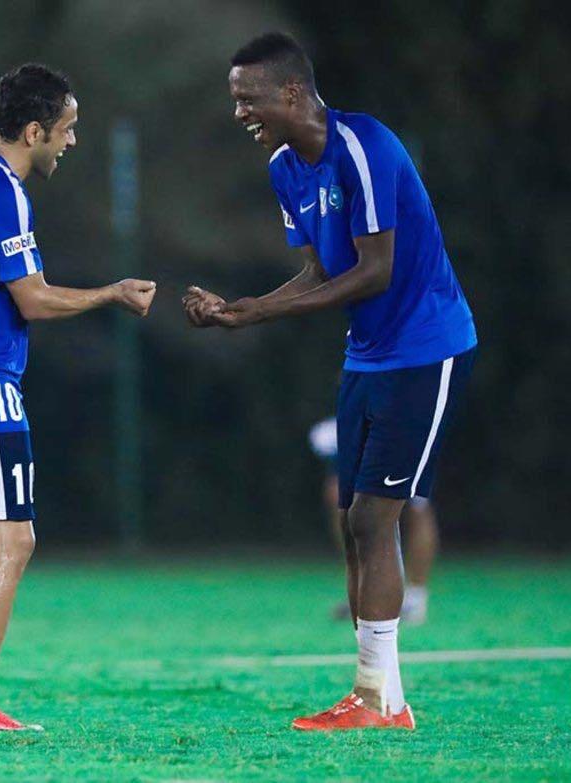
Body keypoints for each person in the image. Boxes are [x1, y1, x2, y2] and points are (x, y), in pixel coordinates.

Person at [183, 32, 476, 731]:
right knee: (354, 523)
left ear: (291, 93)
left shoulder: (365, 146)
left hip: (426, 346)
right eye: (234, 102)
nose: (240, 114)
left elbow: (374, 271)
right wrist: (240, 307)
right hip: (368, 354)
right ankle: (378, 695)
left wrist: (254, 313)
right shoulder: (287, 168)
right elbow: (318, 272)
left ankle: (379, 698)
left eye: (248, 100)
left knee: (377, 516)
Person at [0, 64, 156, 732]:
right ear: (34, 129)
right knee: (14, 540)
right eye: (67, 130)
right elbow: (35, 298)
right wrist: (112, 292)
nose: (71, 143)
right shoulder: (2, 191)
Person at [309, 418, 437, 626]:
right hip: (366, 420)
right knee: (338, 495)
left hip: (407, 418)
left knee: (416, 505)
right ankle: (363, 589)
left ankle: (415, 597)